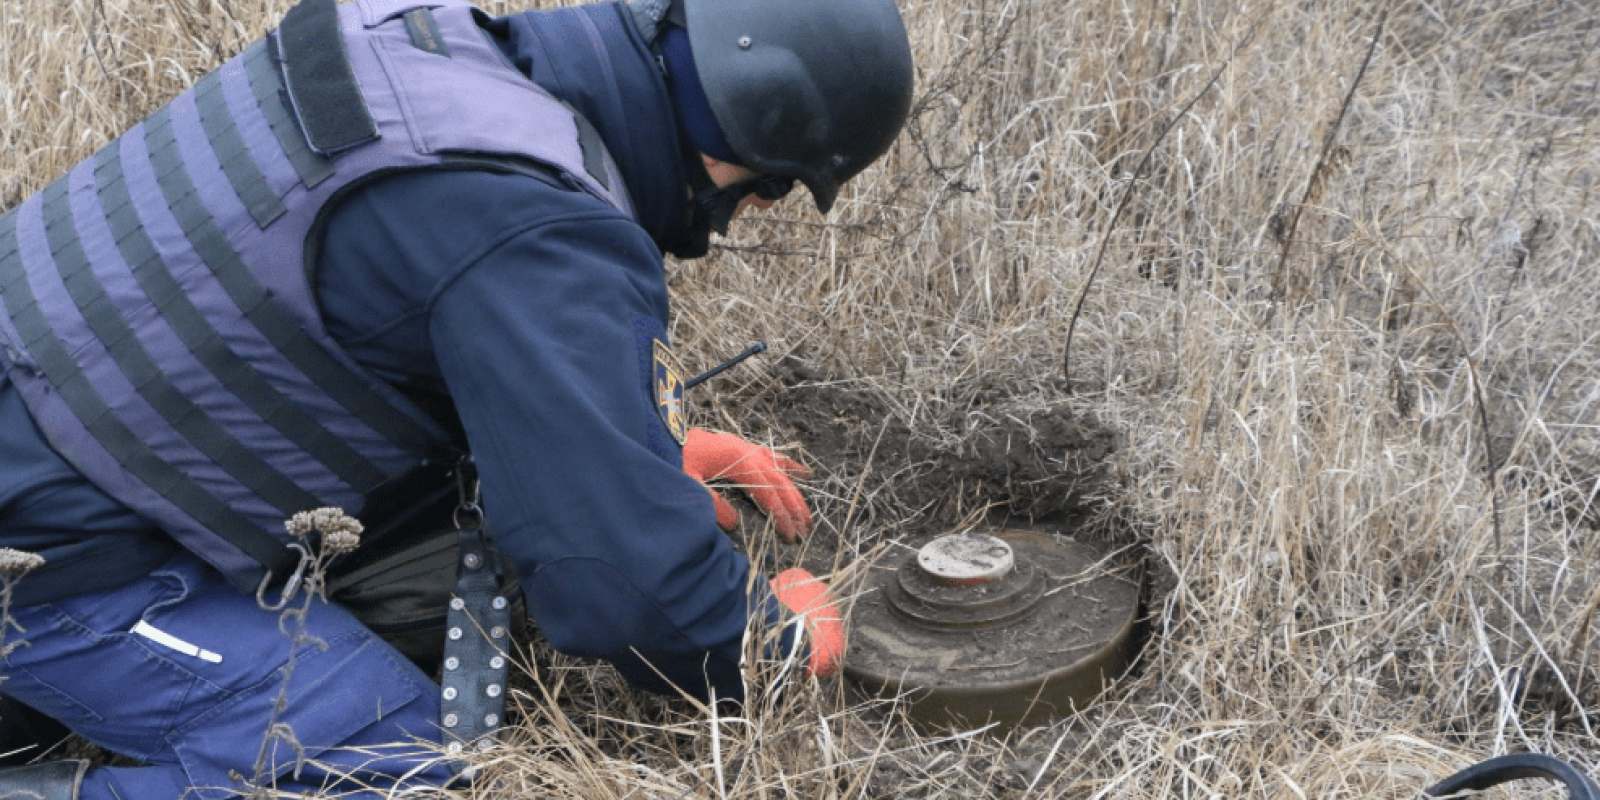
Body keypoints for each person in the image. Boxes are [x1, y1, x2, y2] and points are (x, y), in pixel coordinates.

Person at [0, 0, 915, 793]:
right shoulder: (535, 232)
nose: (750, 216)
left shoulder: (426, 44)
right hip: (42, 543)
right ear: (753, 129)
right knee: (383, 767)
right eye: (776, 190)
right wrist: (772, 644)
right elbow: (625, 588)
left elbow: (371, 319)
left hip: (39, 420)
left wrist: (640, 447)